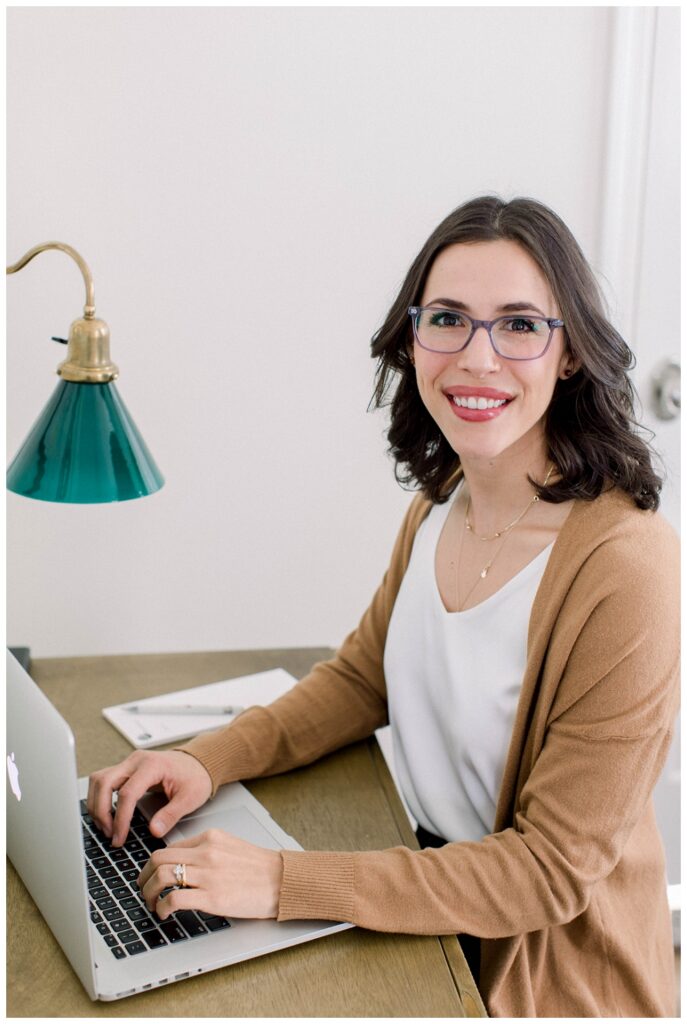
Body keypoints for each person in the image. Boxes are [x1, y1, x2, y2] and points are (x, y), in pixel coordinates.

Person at [88, 196, 679, 1017]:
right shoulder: (441, 500)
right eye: (447, 319)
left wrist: (281, 881)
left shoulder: (627, 569)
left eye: (517, 325)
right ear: (412, 338)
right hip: (419, 886)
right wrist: (206, 758)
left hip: (539, 969)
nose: (477, 357)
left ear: (569, 351)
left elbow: (548, 872)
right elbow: (363, 678)